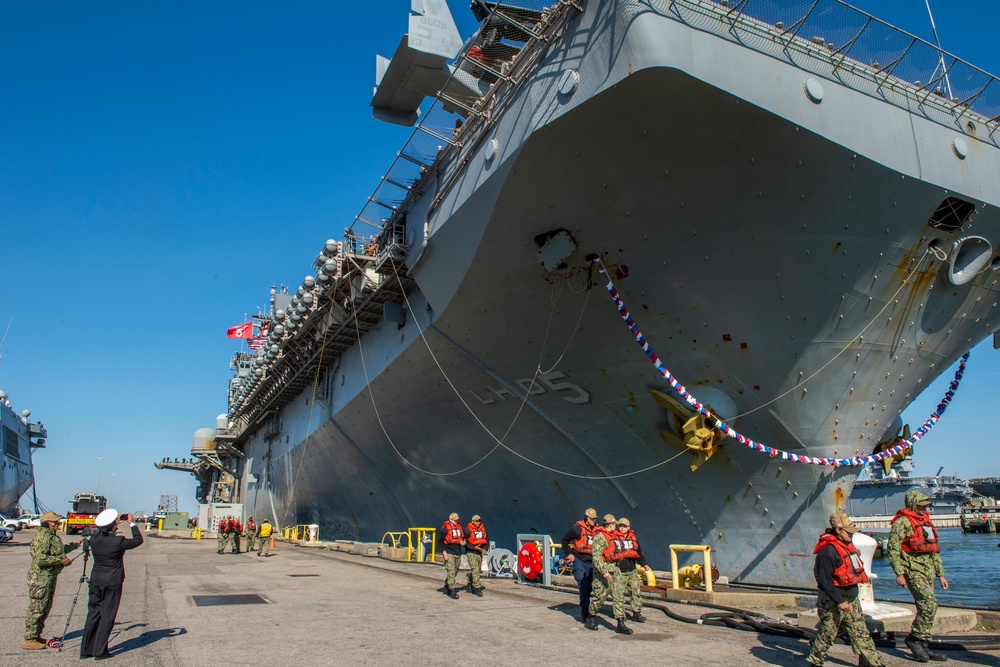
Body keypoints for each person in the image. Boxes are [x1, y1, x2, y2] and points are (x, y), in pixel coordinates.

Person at [806, 513, 885, 667]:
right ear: (838, 530)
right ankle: (815, 662)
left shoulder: (848, 546)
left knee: (860, 633)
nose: (851, 535)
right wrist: (839, 601)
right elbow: (825, 580)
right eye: (848, 532)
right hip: (834, 600)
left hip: (852, 598)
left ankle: (873, 662)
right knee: (828, 633)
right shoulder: (827, 551)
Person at [887, 491, 950, 662]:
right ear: (913, 504)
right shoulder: (902, 523)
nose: (924, 508)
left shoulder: (926, 523)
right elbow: (892, 549)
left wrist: (941, 574)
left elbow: (934, 550)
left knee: (927, 608)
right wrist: (899, 573)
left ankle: (924, 644)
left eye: (925, 506)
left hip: (928, 571)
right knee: (929, 604)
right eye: (921, 505)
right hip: (912, 571)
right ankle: (915, 638)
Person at [80, 508, 143, 659]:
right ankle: (100, 651)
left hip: (96, 581)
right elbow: (138, 540)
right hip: (113, 582)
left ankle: (86, 650)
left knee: (93, 613)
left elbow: (86, 542)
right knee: (107, 615)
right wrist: (131, 523)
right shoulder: (118, 541)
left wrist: (113, 522)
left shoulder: (93, 540)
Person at [23, 511, 80, 650]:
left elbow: (58, 551)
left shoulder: (52, 537)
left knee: (45, 607)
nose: (58, 524)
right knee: (37, 608)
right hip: (40, 578)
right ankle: (29, 639)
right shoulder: (43, 538)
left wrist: (74, 546)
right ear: (47, 523)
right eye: (55, 522)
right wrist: (61, 560)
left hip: (49, 577)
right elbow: (40, 559)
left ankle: (36, 635)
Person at [587, 514, 631, 634]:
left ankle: (620, 622)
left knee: (619, 596)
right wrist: (604, 572)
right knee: (599, 597)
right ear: (610, 525)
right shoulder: (600, 537)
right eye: (614, 524)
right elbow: (596, 557)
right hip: (604, 572)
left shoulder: (613, 536)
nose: (616, 526)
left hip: (615, 570)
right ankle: (591, 616)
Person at [561, 507, 598, 624]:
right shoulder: (577, 529)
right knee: (583, 584)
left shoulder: (598, 530)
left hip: (592, 561)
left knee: (590, 586)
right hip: (579, 560)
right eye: (592, 519)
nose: (593, 521)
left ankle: (586, 605)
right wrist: (569, 554)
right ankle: (585, 610)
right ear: (586, 518)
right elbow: (565, 540)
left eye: (595, 519)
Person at [616, 518, 650, 623]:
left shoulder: (633, 539)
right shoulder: (614, 539)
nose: (622, 528)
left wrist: (644, 564)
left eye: (624, 526)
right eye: (620, 526)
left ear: (629, 527)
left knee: (635, 592)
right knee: (619, 594)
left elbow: (638, 552)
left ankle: (636, 612)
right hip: (620, 570)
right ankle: (620, 615)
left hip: (632, 569)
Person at [440, 512, 466, 599]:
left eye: (458, 520)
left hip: (457, 552)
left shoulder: (459, 527)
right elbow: (439, 542)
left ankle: (447, 585)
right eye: (455, 520)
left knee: (455, 570)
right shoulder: (445, 529)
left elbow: (462, 537)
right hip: (449, 552)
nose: (457, 522)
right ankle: (452, 591)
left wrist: (462, 542)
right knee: (451, 571)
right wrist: (444, 553)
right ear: (450, 519)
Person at [465, 515, 488, 597]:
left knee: (477, 570)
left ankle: (469, 583)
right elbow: (466, 544)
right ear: (473, 521)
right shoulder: (468, 530)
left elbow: (486, 540)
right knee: (475, 569)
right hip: (471, 552)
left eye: (479, 521)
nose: (478, 523)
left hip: (479, 553)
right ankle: (476, 588)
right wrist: (474, 547)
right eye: (477, 521)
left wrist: (485, 549)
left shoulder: (482, 529)